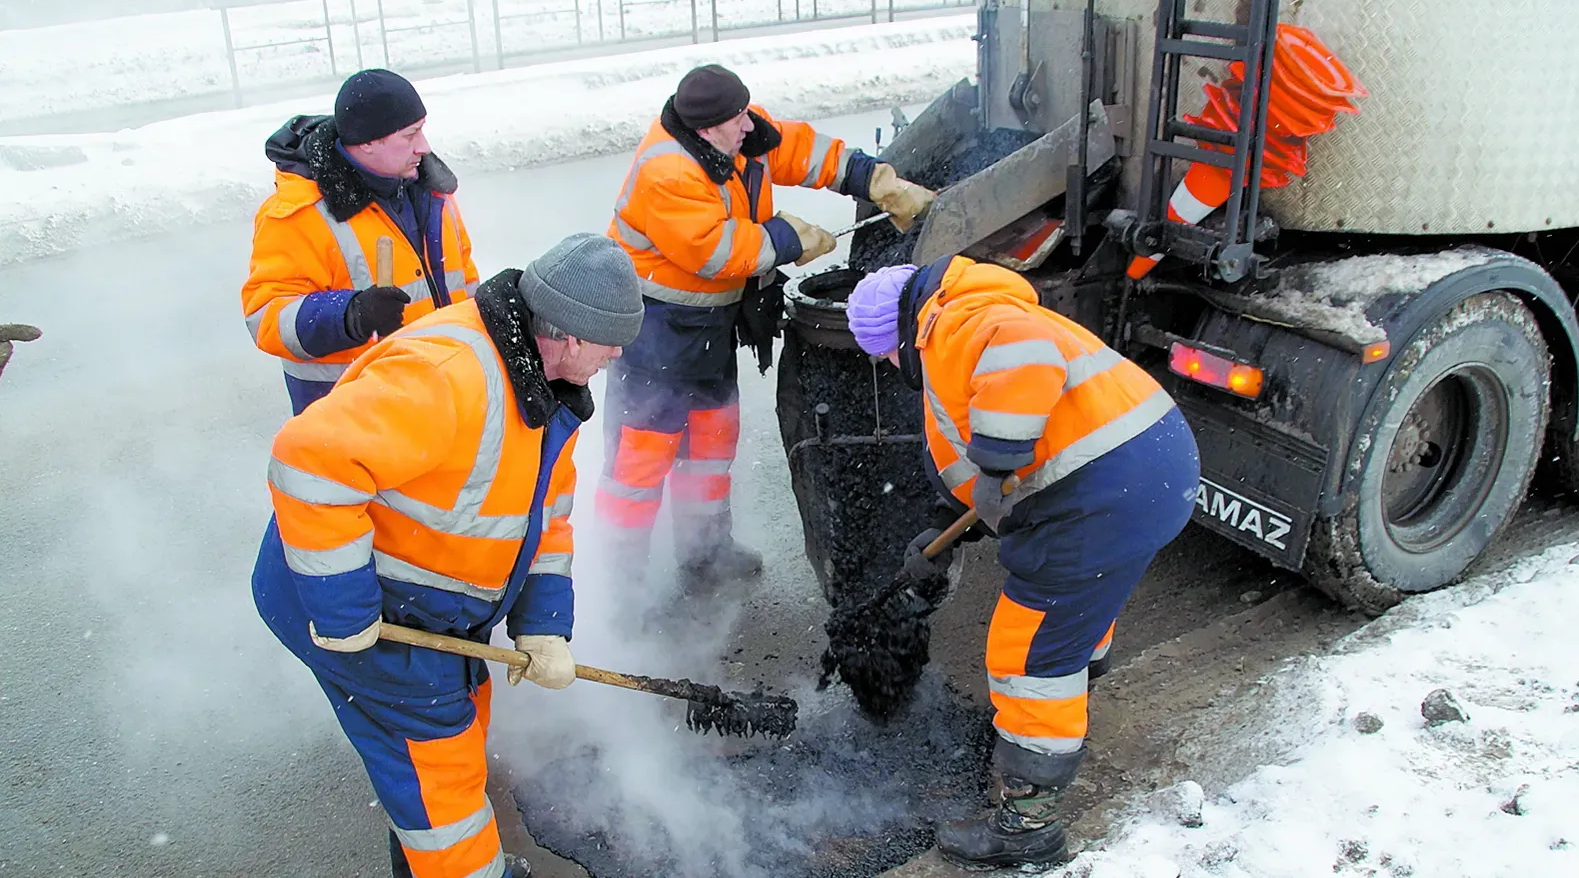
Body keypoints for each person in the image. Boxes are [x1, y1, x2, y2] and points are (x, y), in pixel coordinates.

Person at [251, 234, 643, 878]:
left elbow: (546, 518)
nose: (619, 354)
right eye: (612, 340)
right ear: (570, 336)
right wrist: (347, 615)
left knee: (453, 740)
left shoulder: (544, 389)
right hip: (368, 610)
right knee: (440, 776)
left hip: (428, 612)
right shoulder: (447, 375)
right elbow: (308, 462)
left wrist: (544, 627)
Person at [845, 257, 1201, 869]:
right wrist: (952, 525)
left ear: (895, 336)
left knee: (1027, 654)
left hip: (1102, 493)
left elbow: (1020, 356)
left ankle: (1027, 826)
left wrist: (997, 460)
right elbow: (991, 455)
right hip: (1145, 474)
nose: (883, 367)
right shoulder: (966, 316)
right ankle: (1058, 713)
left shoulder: (958, 320)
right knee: (1077, 609)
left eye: (878, 355)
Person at [597, 62, 936, 590]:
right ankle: (622, 585)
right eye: (737, 120)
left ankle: (705, 555)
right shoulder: (667, 171)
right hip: (655, 332)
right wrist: (789, 237)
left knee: (710, 443)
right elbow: (715, 251)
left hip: (708, 326)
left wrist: (878, 181)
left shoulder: (737, 133)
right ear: (707, 130)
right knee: (641, 462)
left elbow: (805, 151)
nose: (749, 126)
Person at [243, 68, 480, 415]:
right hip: (354, 417)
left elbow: (465, 284)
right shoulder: (299, 215)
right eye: (410, 134)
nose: (424, 147)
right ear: (368, 142)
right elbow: (265, 318)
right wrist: (349, 314)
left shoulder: (433, 194)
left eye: (422, 130)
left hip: (442, 400)